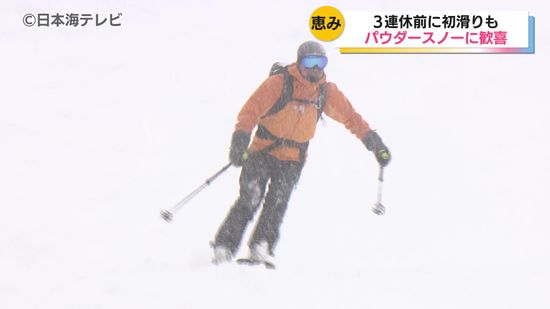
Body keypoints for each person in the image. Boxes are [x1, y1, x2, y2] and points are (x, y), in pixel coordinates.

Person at [211, 41, 391, 265]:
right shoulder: (278, 84)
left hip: (293, 159)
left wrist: (375, 143)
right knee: (251, 196)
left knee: (278, 201)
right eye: (310, 62)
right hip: (262, 151)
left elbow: (351, 118)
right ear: (299, 62)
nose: (315, 69)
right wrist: (239, 140)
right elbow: (250, 112)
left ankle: (262, 245)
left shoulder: (325, 92)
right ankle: (224, 247)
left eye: (320, 63)